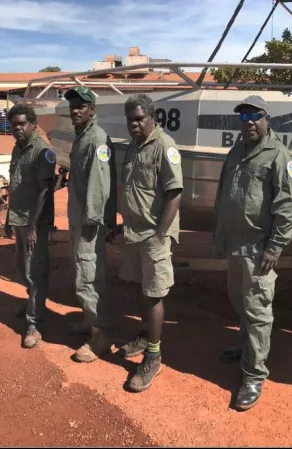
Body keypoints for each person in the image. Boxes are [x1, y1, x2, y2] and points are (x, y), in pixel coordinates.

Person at [212, 95, 292, 411]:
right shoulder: (237, 150)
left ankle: (254, 375)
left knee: (258, 310)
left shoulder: (278, 156)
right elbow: (224, 195)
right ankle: (248, 347)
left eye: (254, 116)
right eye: (243, 116)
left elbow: (288, 208)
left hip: (257, 248)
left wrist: (275, 246)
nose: (248, 121)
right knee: (239, 301)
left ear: (268, 119)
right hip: (235, 245)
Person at [117, 94, 183, 392]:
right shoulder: (133, 146)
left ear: (152, 117)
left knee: (155, 294)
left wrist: (160, 233)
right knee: (140, 287)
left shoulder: (164, 146)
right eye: (130, 119)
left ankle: (154, 356)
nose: (134, 124)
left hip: (154, 233)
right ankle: (146, 334)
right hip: (133, 231)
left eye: (139, 118)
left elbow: (174, 193)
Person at [63, 86, 118, 363]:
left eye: (81, 106)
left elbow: (100, 186)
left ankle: (101, 336)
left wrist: (92, 221)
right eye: (73, 105)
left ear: (92, 109)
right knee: (80, 272)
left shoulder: (96, 139)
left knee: (89, 278)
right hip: (78, 218)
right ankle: (89, 321)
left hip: (88, 223)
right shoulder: (82, 136)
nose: (76, 109)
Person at [5, 104, 56, 349]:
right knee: (22, 269)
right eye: (13, 124)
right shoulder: (18, 148)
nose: (17, 128)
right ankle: (32, 305)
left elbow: (45, 192)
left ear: (33, 124)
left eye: (21, 123)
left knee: (35, 272)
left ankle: (35, 323)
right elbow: (15, 186)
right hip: (19, 219)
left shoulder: (41, 151)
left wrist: (35, 227)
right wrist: (7, 218)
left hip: (34, 223)